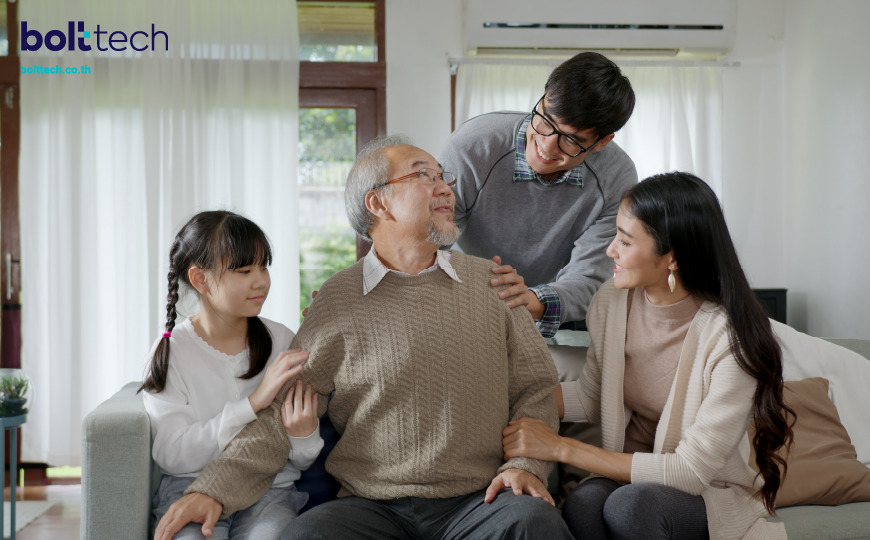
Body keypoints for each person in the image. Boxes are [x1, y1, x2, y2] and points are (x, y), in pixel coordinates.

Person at [153, 136, 572, 540]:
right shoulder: (336, 300)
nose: (445, 188)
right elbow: (279, 415)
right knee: (307, 536)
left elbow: (535, 388)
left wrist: (526, 465)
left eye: (445, 177)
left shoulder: (494, 283)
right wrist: (211, 491)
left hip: (480, 501)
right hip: (373, 507)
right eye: (424, 175)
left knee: (535, 522)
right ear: (377, 202)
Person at [502, 172, 794, 539]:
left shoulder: (731, 339)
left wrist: (560, 447)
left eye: (625, 241)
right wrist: (506, 397)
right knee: (584, 502)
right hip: (629, 481)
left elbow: (689, 471)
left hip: (705, 492)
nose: (611, 250)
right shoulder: (611, 301)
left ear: (672, 257)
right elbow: (593, 397)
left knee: (632, 506)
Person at [141, 210, 324, 539]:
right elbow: (173, 455)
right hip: (189, 490)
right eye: (244, 270)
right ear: (200, 280)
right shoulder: (172, 352)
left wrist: (304, 437)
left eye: (264, 266)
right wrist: (252, 404)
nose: (261, 281)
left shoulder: (282, 341)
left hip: (269, 492)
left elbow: (299, 461)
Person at [440, 51, 638, 338]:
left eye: (570, 140)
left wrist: (530, 300)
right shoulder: (474, 146)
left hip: (559, 310)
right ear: (544, 98)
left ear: (601, 142)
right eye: (546, 120)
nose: (546, 145)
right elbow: (430, 243)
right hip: (470, 293)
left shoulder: (616, 176)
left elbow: (590, 278)